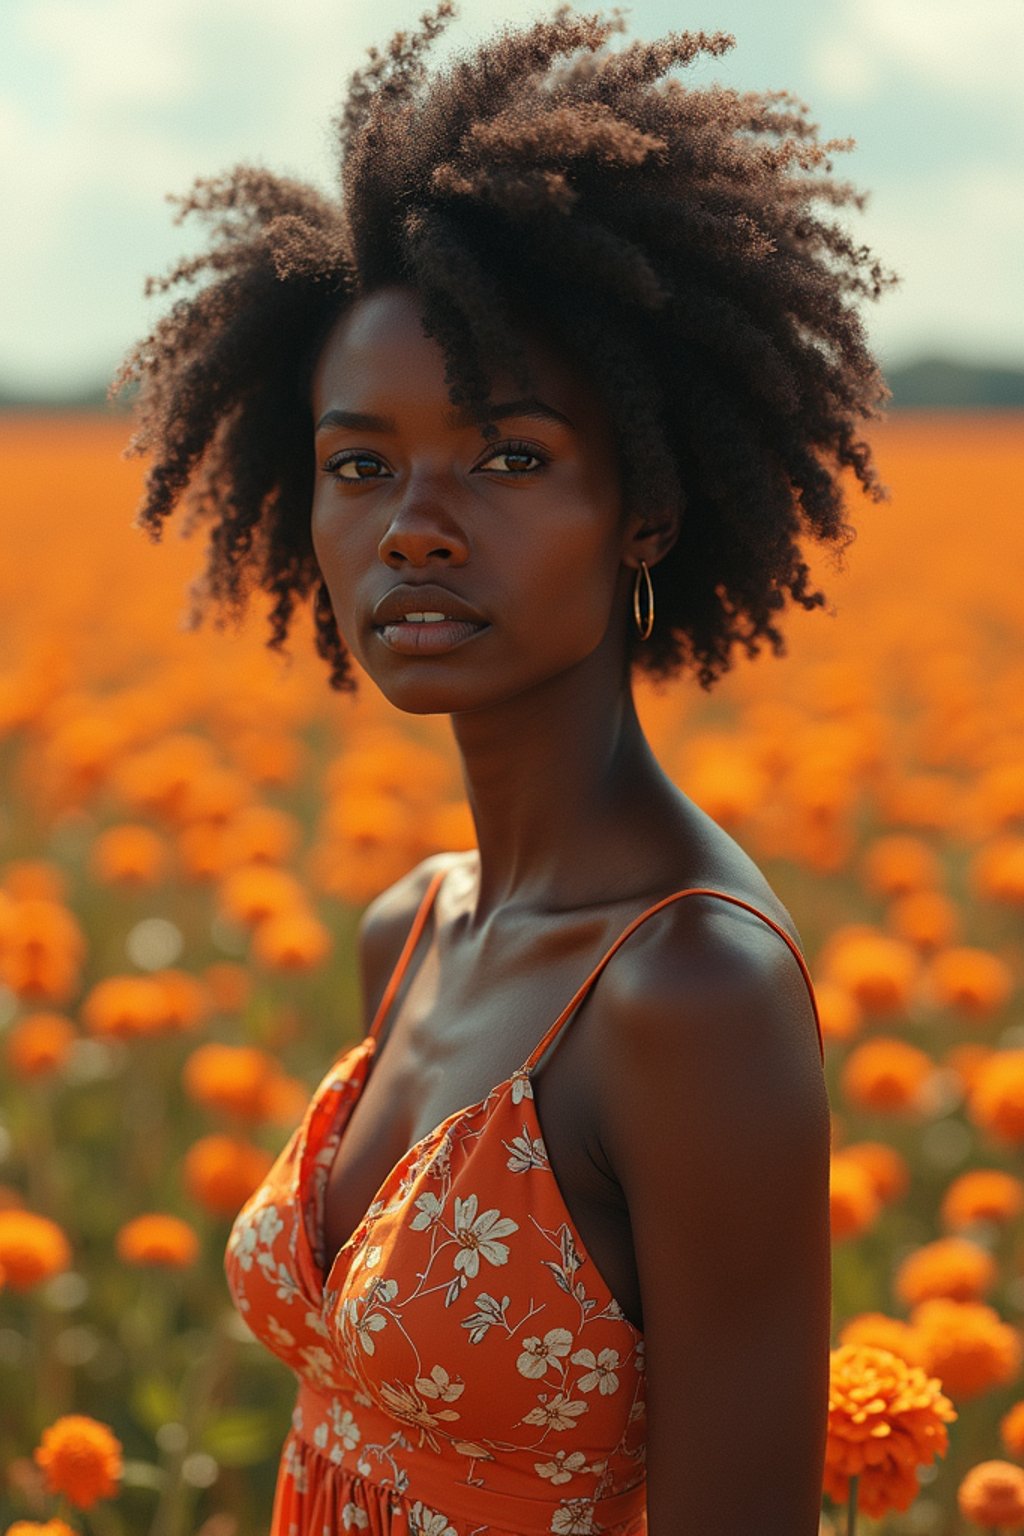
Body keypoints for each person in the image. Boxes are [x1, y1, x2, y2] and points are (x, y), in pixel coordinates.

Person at [115, 5, 893, 1532]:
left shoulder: (693, 994)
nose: (413, 520)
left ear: (650, 510)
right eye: (360, 463)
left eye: (512, 456)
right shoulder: (408, 931)